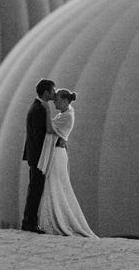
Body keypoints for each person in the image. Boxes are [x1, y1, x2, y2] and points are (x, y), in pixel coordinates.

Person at [36, 87, 96, 236]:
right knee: (52, 186)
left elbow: (49, 129)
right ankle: (50, 221)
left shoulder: (67, 115)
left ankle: (59, 222)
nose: (54, 101)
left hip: (57, 154)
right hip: (56, 153)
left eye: (56, 99)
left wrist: (46, 110)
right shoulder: (64, 114)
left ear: (64, 100)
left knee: (56, 186)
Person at [21, 78, 55, 232]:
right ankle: (29, 223)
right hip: (38, 157)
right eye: (53, 90)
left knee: (34, 188)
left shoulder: (37, 107)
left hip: (35, 156)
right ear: (46, 92)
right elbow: (41, 134)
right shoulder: (40, 109)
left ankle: (29, 221)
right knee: (36, 189)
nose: (54, 93)